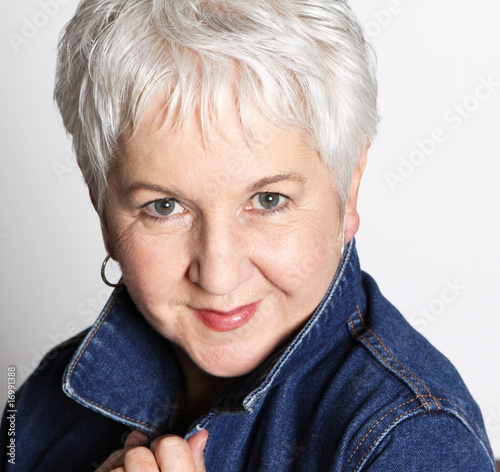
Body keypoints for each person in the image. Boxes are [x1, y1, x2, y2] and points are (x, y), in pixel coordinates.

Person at [0, 0, 495, 470]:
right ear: (99, 202)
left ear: (351, 184)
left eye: (268, 200)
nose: (218, 275)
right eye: (164, 207)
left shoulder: (412, 439)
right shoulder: (49, 397)